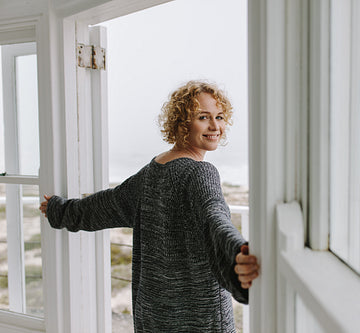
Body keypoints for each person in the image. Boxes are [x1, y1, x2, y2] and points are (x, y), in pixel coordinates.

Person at [39, 80, 259, 332]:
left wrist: (60, 210)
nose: (215, 126)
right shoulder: (201, 173)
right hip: (198, 320)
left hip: (152, 315)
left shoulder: (153, 170)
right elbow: (215, 218)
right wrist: (237, 255)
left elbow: (104, 205)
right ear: (182, 122)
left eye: (219, 117)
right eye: (203, 117)